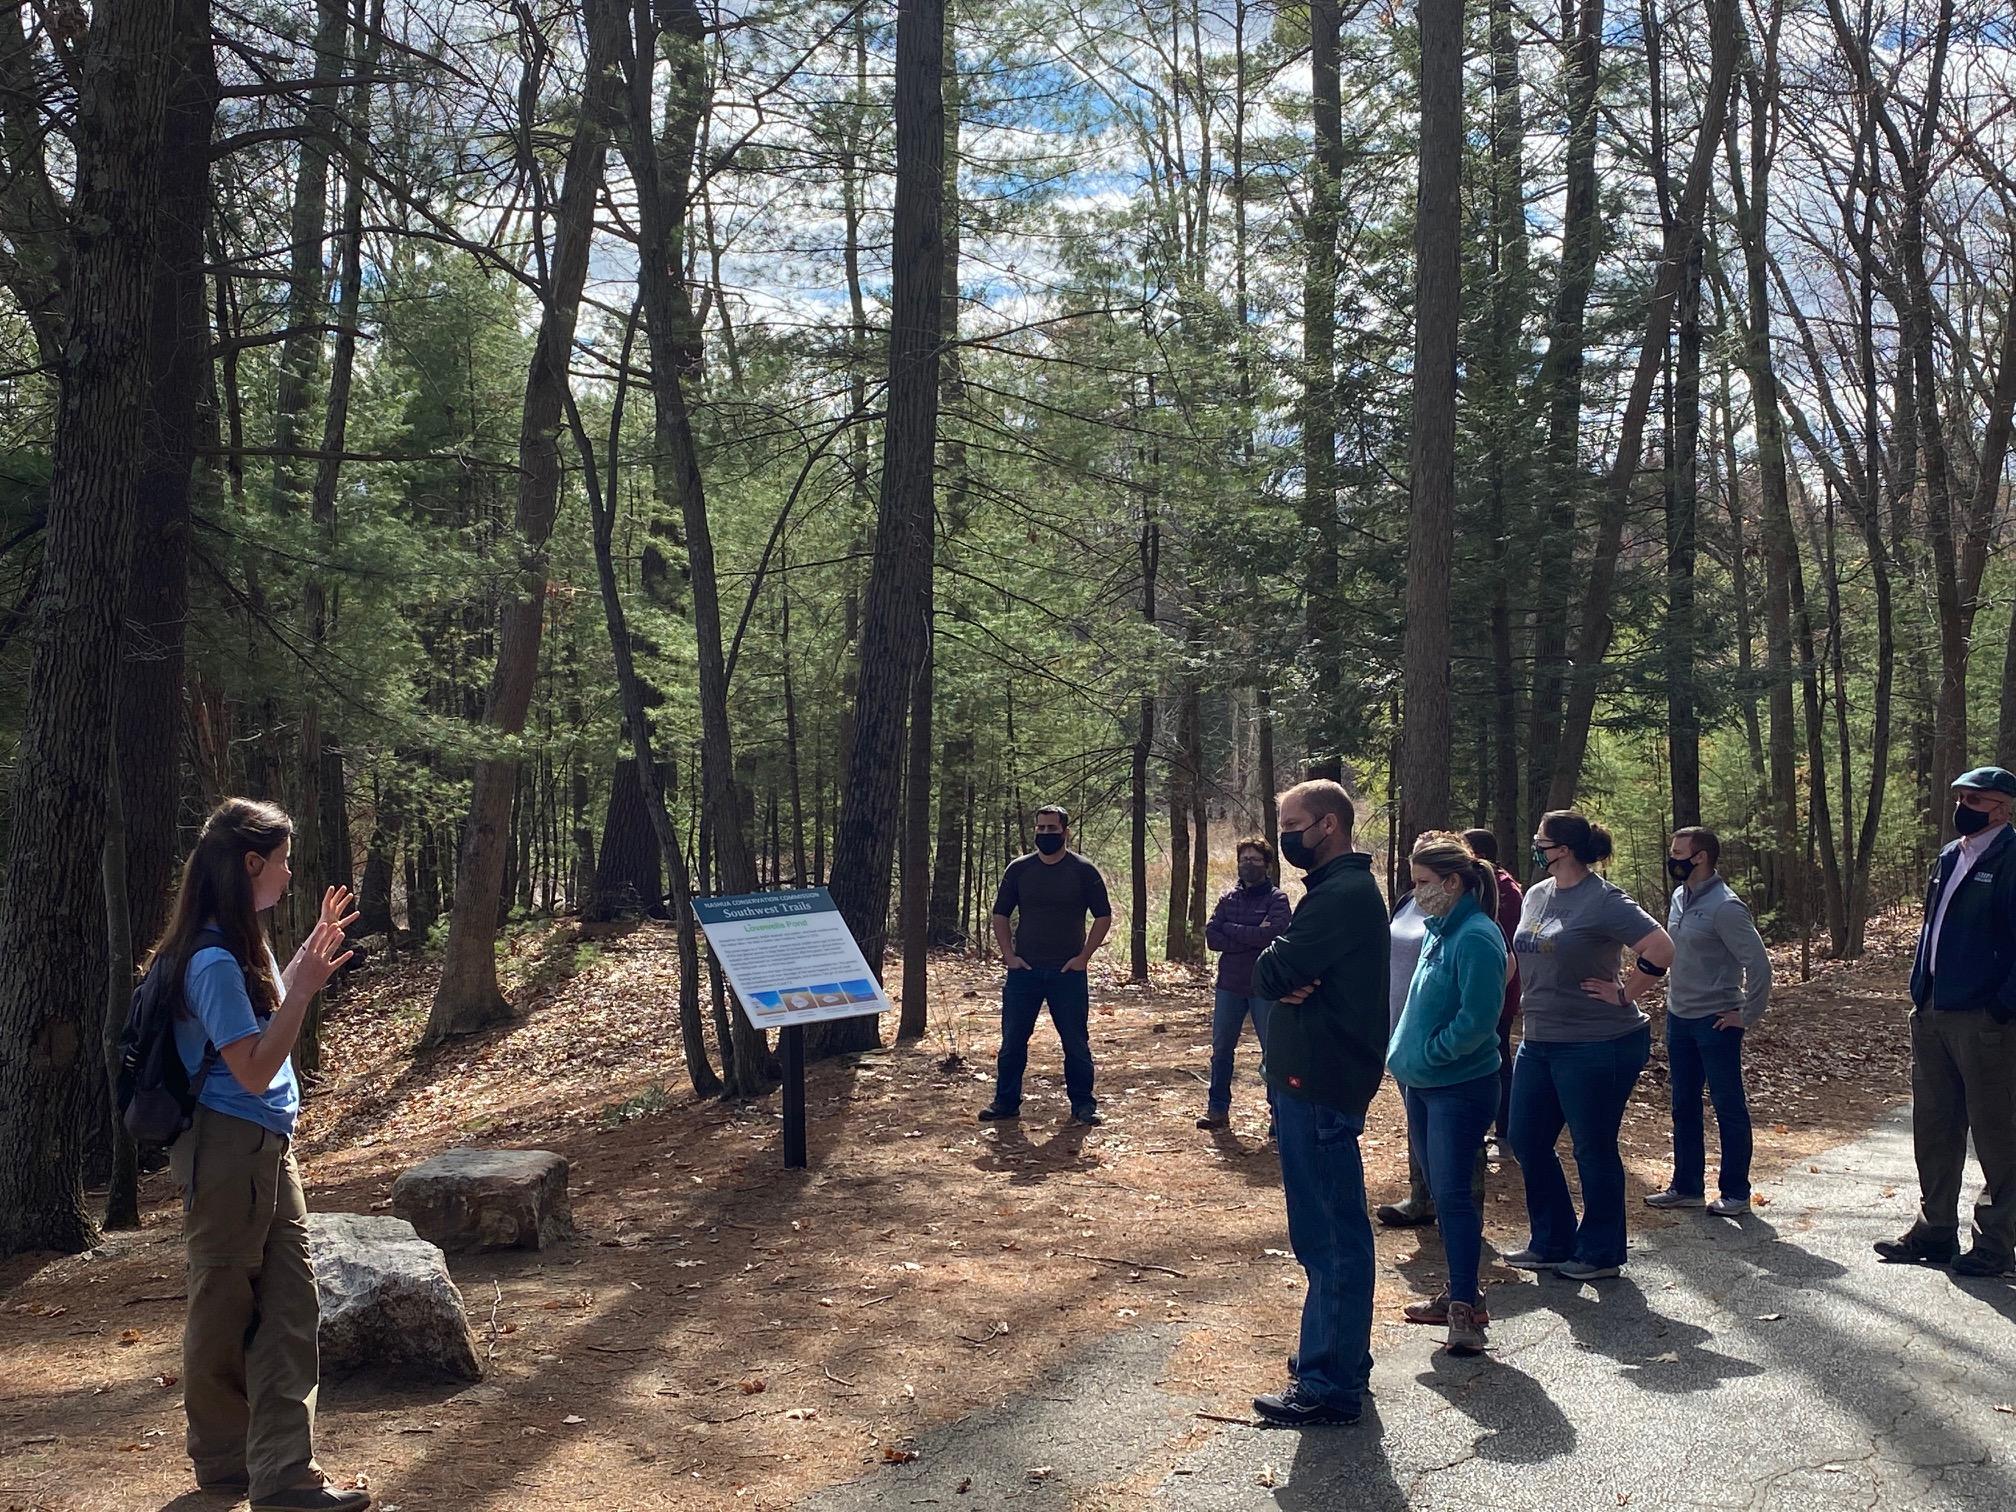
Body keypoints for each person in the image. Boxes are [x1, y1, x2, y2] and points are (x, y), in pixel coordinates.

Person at [160, 798, 369, 1512]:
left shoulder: (246, 944)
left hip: (267, 1149)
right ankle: (224, 1467)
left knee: (290, 1304)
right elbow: (251, 1067)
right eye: (282, 860)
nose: (288, 873)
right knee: (224, 1308)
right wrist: (305, 988)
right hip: (223, 1152)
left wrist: (304, 964)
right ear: (252, 864)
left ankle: (285, 1476)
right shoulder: (212, 959)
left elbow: (269, 1042)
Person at [1248, 780, 1390, 1427]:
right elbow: (1276, 969)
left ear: (1328, 825)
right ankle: (1337, 1355)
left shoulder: (1343, 895)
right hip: (1309, 1081)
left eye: (1293, 824)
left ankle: (1330, 1382)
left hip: (1321, 1084)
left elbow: (1273, 971)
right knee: (1326, 1229)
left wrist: (1280, 971)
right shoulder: (1332, 894)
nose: (1285, 836)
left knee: (1329, 1234)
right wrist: (1280, 969)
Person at [1505, 810, 1674, 1281]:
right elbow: (1521, 953)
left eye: (1541, 840)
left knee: (1591, 1146)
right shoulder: (1537, 894)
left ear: (1565, 849)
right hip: (1539, 1039)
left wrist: (1625, 993)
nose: (1535, 847)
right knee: (1527, 1138)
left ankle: (1600, 1252)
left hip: (1598, 1042)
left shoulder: (1603, 900)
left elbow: (1661, 947)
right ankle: (1552, 1240)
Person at [1875, 767, 2016, 1277]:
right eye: (1959, 796)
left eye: (1975, 799)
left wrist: (2002, 1007)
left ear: (2001, 807)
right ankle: (1934, 1230)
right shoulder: (1949, 856)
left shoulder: (2010, 858)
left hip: (1985, 1019)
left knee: (1998, 1132)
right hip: (1932, 1010)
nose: (1962, 806)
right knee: (1934, 1125)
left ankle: (1995, 1241)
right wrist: (1921, 990)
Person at [1387, 833, 1509, 1355]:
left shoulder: (1478, 937)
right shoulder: (1439, 930)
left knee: (1455, 1195)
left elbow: (1478, 1023)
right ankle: (1458, 1290)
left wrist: (1431, 1055)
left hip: (1458, 1087)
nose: (1415, 894)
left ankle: (1466, 1311)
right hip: (1422, 1083)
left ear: (1453, 883)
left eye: (1422, 884)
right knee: (1439, 1190)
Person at [1645, 826, 1770, 1218]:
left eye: (1678, 852)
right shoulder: (1680, 897)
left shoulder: (1726, 906)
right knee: (1683, 1105)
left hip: (1716, 1022)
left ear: (1700, 857)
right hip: (1679, 1018)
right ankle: (1686, 1186)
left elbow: (1759, 964)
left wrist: (1745, 1014)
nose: (1672, 858)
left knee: (1727, 1105)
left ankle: (1735, 1193)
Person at [979, 804, 1114, 1127]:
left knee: (1075, 1042)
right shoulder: (1019, 869)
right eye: (1040, 829)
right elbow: (1000, 914)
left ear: (1065, 832)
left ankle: (1083, 1105)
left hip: (1067, 973)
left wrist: (1083, 958)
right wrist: (1009, 955)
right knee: (1012, 1041)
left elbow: (1103, 916)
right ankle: (1006, 1102)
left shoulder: (1083, 870)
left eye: (1052, 829)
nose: (1045, 835)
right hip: (1024, 972)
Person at [1199, 837, 1291, 1130]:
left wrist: (1232, 930)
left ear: (1266, 864)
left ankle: (1278, 1116)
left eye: (1254, 860)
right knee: (1222, 1049)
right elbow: (1212, 937)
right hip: (1230, 984)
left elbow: (1274, 936)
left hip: (1264, 986)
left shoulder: (1277, 899)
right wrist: (1252, 932)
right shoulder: (1228, 898)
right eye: (1243, 860)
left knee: (1273, 1052)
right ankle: (1217, 1109)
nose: (1247, 865)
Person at [1374, 882, 1435, 1226]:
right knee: (1416, 1117)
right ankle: (1420, 1196)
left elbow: (1504, 964)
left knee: (1442, 1121)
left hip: (1432, 1035)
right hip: (1399, 1028)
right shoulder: (1409, 901)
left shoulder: (1461, 906)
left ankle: (1455, 1207)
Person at [1461, 827, 1524, 1155]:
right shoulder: (1484, 884)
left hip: (1499, 987)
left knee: (1498, 1058)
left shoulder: (1505, 889)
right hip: (1483, 985)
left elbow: (1504, 940)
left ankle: (1506, 1129)